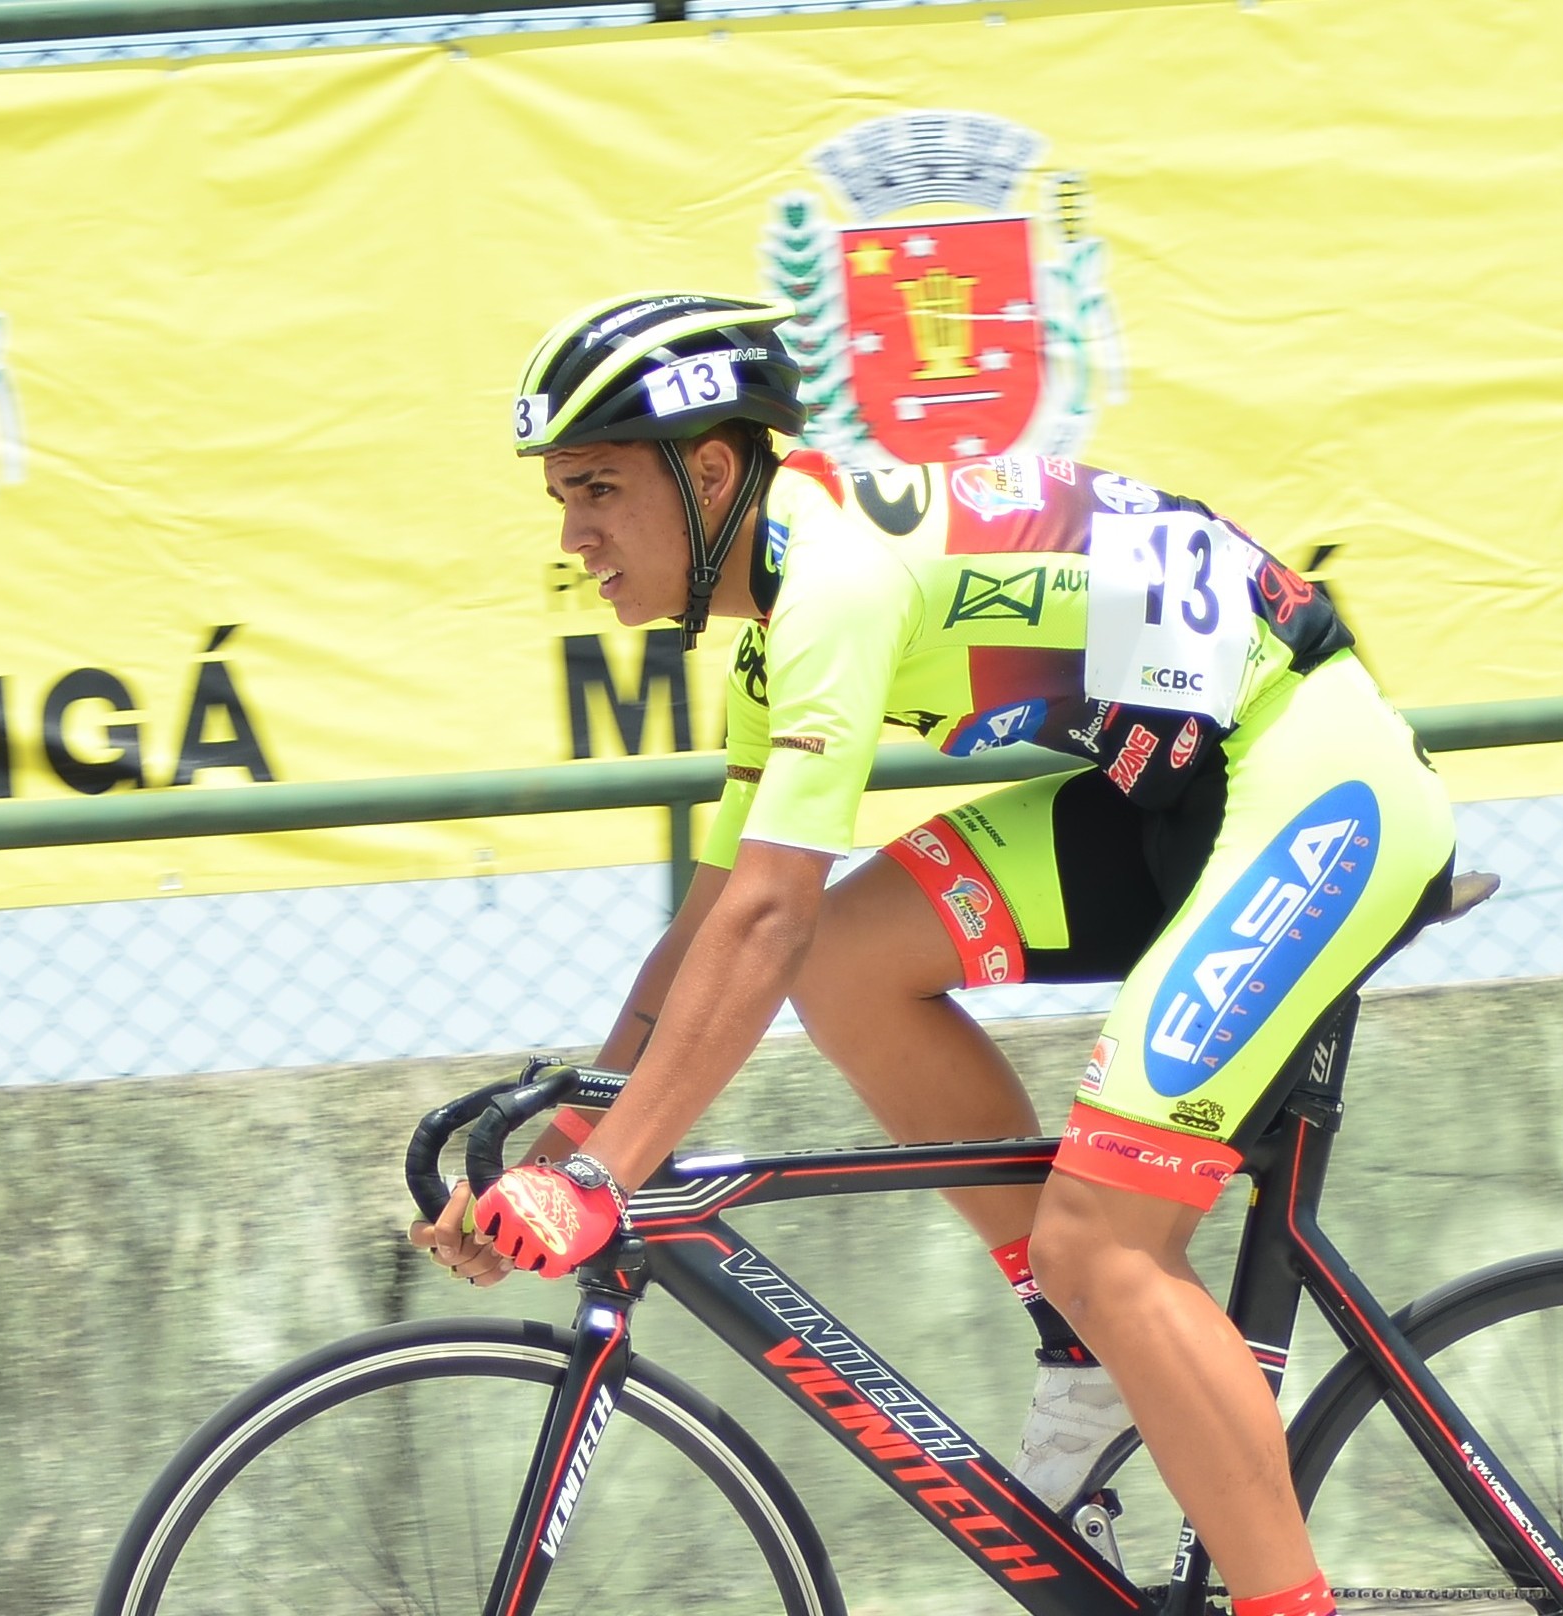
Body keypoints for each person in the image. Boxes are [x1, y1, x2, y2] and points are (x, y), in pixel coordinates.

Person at [412, 290, 1457, 1616]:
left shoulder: (834, 585)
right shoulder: (782, 611)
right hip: (1173, 798)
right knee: (848, 961)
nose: (575, 538)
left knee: (1112, 1239)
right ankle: (1086, 1346)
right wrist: (571, 1149)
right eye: (561, 499)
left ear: (714, 470)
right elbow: (720, 919)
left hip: (1311, 775)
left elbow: (760, 914)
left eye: (601, 489)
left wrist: (607, 1181)